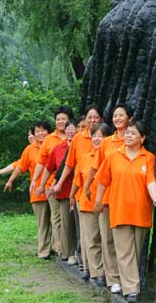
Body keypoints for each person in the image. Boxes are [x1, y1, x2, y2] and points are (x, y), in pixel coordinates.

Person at [95, 120, 156, 303]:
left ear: (142, 138)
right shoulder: (113, 155)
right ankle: (132, 289)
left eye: (133, 133)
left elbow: (150, 180)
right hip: (119, 209)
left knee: (135, 249)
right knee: (124, 250)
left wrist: (155, 198)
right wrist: (98, 201)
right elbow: (102, 180)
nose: (128, 136)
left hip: (141, 211)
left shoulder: (148, 157)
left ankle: (122, 281)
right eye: (127, 133)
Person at [85, 103, 133, 294]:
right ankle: (113, 277)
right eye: (115, 115)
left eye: (121, 115)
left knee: (125, 241)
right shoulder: (106, 142)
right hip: (107, 197)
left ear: (129, 118)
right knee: (108, 239)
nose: (118, 118)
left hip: (127, 197)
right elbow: (96, 167)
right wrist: (88, 185)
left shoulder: (132, 139)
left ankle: (127, 277)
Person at [53, 104, 102, 277]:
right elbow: (69, 164)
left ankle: (97, 269)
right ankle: (86, 266)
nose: (92, 120)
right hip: (82, 191)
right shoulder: (78, 139)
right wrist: (59, 184)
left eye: (96, 117)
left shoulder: (105, 138)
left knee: (100, 235)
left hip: (103, 193)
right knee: (85, 232)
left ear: (101, 119)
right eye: (90, 117)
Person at [2, 121, 53, 260]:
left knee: (56, 222)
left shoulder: (55, 144)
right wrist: (10, 180)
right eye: (37, 131)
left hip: (55, 190)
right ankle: (44, 251)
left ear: (49, 131)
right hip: (38, 191)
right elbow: (20, 166)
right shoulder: (29, 150)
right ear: (34, 134)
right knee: (43, 223)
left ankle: (56, 248)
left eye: (43, 130)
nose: (41, 133)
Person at [70, 123, 112, 287]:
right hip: (88, 204)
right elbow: (77, 181)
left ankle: (109, 274)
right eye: (94, 135)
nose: (96, 139)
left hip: (107, 203)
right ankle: (97, 273)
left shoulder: (112, 157)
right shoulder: (86, 158)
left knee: (107, 240)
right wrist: (72, 196)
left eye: (100, 136)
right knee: (92, 239)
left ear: (107, 138)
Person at [30, 105, 74, 255]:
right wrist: (35, 181)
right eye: (58, 119)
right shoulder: (49, 139)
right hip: (52, 185)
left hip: (73, 184)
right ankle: (60, 248)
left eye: (63, 119)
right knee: (57, 217)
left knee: (69, 219)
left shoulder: (74, 135)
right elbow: (42, 163)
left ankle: (69, 248)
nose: (60, 122)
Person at [35, 119, 77, 265]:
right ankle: (68, 252)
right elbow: (49, 167)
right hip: (64, 192)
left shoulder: (85, 146)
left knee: (76, 225)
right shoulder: (58, 148)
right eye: (68, 128)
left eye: (74, 128)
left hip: (80, 191)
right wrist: (40, 185)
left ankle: (75, 253)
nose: (71, 131)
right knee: (65, 224)